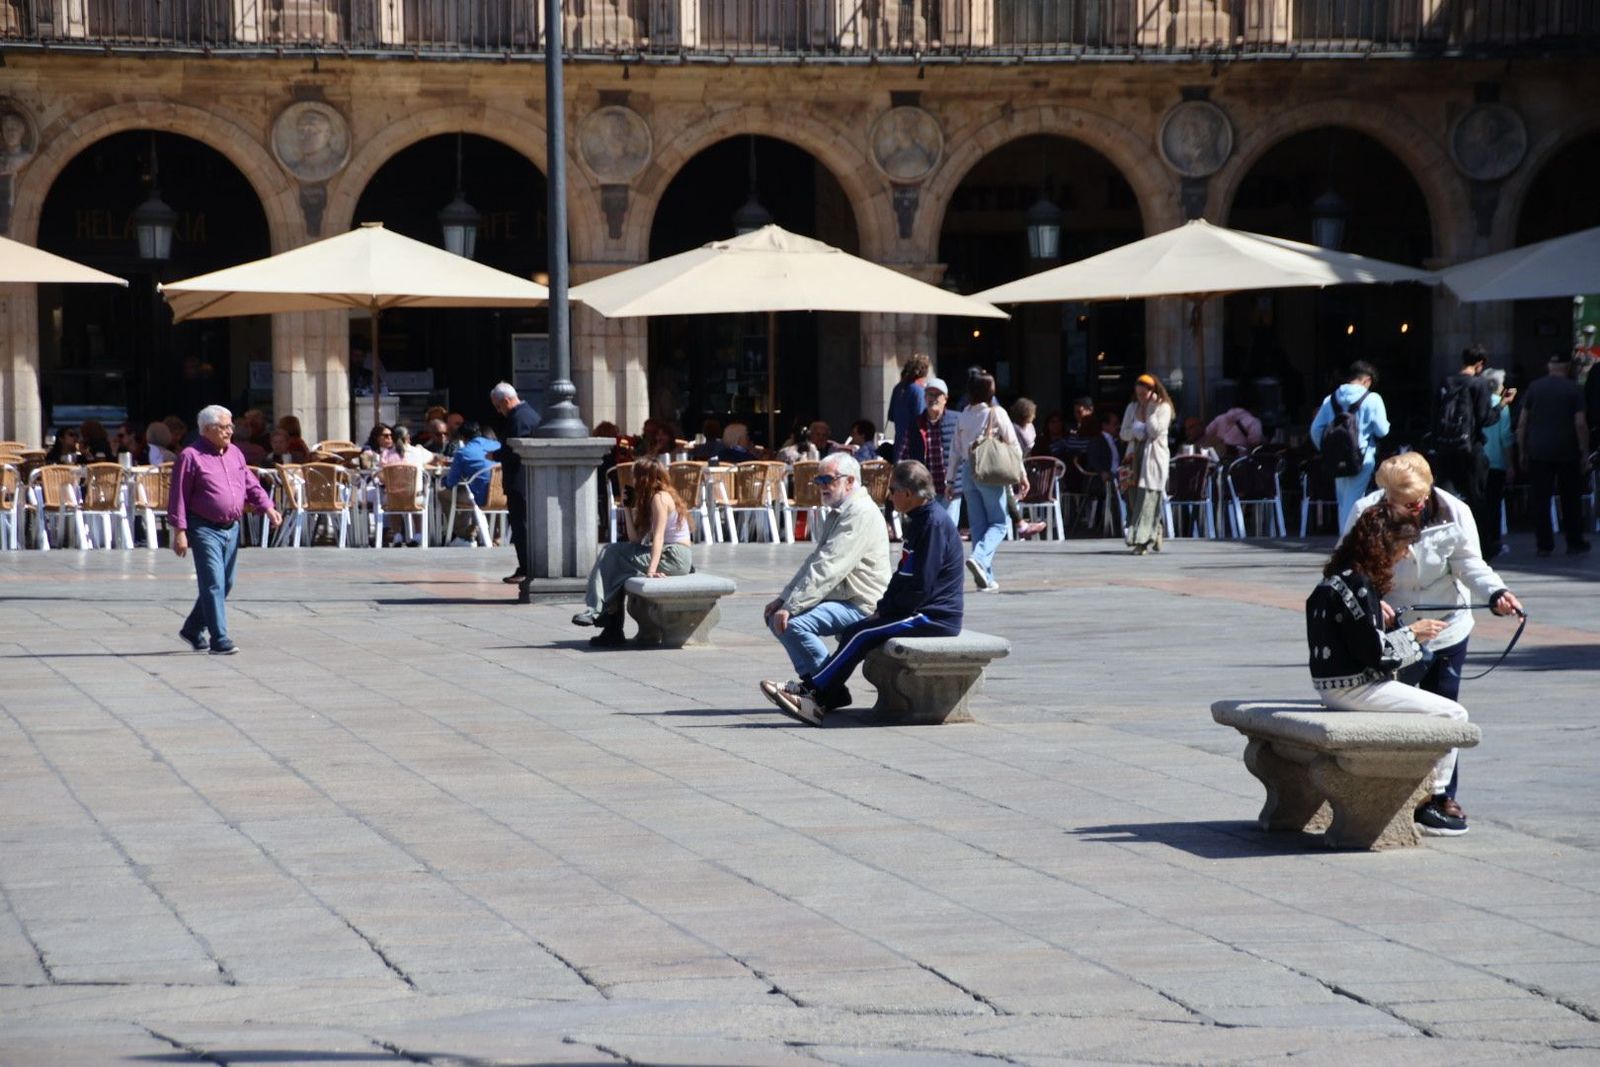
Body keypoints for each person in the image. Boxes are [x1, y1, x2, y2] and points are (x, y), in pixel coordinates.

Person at [1345, 452, 1523, 834]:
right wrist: (1373, 601)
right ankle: (1393, 791)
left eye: (1415, 501)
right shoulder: (1365, 510)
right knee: (1397, 708)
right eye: (1398, 503)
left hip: (1446, 625)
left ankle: (1440, 796)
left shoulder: (1455, 511)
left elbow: (1470, 563)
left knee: (1443, 708)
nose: (1409, 509)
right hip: (1393, 630)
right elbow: (1350, 565)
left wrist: (1497, 593)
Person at [764, 460, 964, 726]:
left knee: (860, 634)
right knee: (856, 631)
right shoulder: (920, 520)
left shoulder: (933, 524)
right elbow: (903, 574)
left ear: (908, 493)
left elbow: (921, 585)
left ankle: (815, 693)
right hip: (916, 609)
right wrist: (882, 608)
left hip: (933, 615)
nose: (889, 496)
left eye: (893, 490)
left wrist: (889, 612)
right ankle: (818, 690)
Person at [1307, 505, 1468, 835]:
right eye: (1404, 545)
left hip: (1333, 687)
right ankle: (1430, 800)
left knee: (1428, 709)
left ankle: (1422, 793)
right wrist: (1414, 634)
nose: (1406, 554)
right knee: (1454, 714)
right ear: (1385, 545)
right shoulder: (1359, 586)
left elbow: (1359, 641)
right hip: (1353, 688)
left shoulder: (1339, 578)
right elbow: (1373, 656)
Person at [757, 453, 892, 701]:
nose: (821, 486)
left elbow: (830, 567)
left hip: (861, 603)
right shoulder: (840, 511)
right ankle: (819, 685)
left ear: (850, 481)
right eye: (818, 480)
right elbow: (816, 561)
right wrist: (784, 598)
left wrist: (793, 606)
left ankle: (827, 689)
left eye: (828, 479)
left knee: (793, 622)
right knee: (775, 617)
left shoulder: (859, 513)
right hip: (842, 597)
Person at [168, 405, 283, 655]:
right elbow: (178, 495)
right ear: (207, 429)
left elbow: (250, 484)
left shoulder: (235, 454)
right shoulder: (190, 456)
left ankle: (192, 628)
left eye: (230, 425)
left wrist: (267, 506)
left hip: (231, 528)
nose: (230, 430)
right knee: (213, 583)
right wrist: (180, 531)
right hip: (204, 527)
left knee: (225, 583)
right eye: (224, 426)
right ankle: (219, 639)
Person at [570, 455, 695, 647]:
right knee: (614, 559)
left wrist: (651, 569)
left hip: (675, 556)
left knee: (612, 555)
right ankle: (610, 627)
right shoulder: (653, 498)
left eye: (635, 476)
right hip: (671, 554)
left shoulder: (660, 498)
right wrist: (627, 509)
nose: (633, 481)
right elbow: (635, 539)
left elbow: (659, 537)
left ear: (645, 478)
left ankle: (598, 613)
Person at [1431, 346, 1510, 553]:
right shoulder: (1479, 384)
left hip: (1445, 448)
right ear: (1480, 363)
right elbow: (1485, 418)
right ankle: (1482, 546)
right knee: (1476, 498)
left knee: (1443, 498)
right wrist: (1502, 404)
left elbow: (1434, 415)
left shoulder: (1445, 382)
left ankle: (1441, 544)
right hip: (1470, 449)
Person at [949, 371, 1023, 591]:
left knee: (979, 525)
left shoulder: (963, 415)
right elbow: (1013, 445)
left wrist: (950, 480)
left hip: (967, 471)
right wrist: (1022, 474)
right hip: (989, 470)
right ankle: (980, 559)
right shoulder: (996, 412)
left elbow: (954, 450)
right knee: (1000, 523)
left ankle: (986, 578)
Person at [1517, 352, 1592, 557]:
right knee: (1570, 498)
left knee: (1541, 499)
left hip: (1539, 451)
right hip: (1567, 452)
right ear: (1568, 367)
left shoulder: (1534, 388)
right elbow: (1580, 424)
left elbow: (1523, 423)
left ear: (1549, 366)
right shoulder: (1574, 389)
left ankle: (1544, 544)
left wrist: (1522, 450)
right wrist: (1584, 452)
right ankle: (1574, 541)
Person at [1310, 360, 1390, 529]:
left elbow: (1315, 429)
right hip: (1361, 457)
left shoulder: (1330, 399)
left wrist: (1326, 449)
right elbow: (1382, 430)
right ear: (1367, 380)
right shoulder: (1373, 399)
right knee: (1354, 500)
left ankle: (1344, 539)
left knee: (1343, 500)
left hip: (1336, 457)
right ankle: (1347, 541)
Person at [489, 382, 543, 586]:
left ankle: (526, 568)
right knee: (522, 525)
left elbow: (515, 449)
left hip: (520, 481)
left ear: (505, 400)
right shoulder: (527, 414)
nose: (498, 411)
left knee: (522, 526)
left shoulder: (519, 418)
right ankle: (526, 567)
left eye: (498, 406)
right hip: (523, 480)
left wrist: (496, 454)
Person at [1119, 373, 1174, 555]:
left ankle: (1140, 541)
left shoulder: (1163, 408)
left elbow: (1155, 431)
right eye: (1139, 394)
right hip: (1133, 458)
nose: (1141, 398)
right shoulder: (1132, 408)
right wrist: (1135, 434)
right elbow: (1123, 433)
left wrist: (1149, 411)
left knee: (1147, 500)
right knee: (1134, 501)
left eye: (1144, 394)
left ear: (1153, 391)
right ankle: (1155, 529)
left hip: (1153, 459)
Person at [907, 376, 959, 525]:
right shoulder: (916, 423)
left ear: (945, 399)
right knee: (930, 527)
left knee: (947, 526)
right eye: (930, 394)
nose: (933, 398)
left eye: (937, 395)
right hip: (927, 487)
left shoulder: (957, 420)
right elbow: (905, 452)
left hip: (950, 486)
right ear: (924, 397)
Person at [1479, 368, 1515, 559]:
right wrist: (1510, 464)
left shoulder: (1478, 403)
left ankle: (1480, 540)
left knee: (1479, 503)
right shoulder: (1501, 406)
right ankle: (1494, 541)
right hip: (1496, 461)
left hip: (1477, 462)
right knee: (1494, 504)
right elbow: (1505, 437)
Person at [439, 421, 501, 510]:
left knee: (443, 494)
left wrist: (443, 480)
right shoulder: (498, 445)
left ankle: (459, 524)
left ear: (463, 438)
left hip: (478, 499)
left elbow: (451, 483)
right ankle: (495, 524)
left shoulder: (463, 453)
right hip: (502, 496)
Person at [886, 353, 930, 461]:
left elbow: (891, 416)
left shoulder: (898, 388)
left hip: (899, 445)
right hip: (914, 446)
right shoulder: (919, 391)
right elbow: (922, 418)